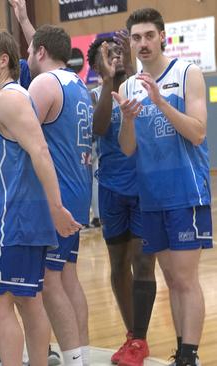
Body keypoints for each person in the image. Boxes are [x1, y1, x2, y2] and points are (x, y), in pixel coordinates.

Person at [0, 28, 81, 366]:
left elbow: (41, 152)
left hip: (12, 221)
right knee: (29, 303)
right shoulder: (7, 99)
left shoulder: (9, 99)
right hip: (18, 217)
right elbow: (17, 163)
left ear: (4, 60)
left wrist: (57, 207)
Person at [114, 8, 211, 366]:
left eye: (149, 36)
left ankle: (190, 355)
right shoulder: (127, 86)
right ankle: (182, 350)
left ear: (162, 37)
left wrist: (159, 103)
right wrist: (126, 120)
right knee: (171, 279)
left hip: (186, 192)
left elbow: (198, 132)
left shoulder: (188, 74)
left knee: (186, 279)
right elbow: (128, 147)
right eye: (136, 37)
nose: (142, 43)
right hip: (151, 197)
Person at [87, 33, 157, 366]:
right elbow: (100, 128)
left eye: (118, 50)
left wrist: (128, 66)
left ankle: (140, 338)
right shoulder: (93, 95)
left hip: (144, 187)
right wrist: (106, 81)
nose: (115, 56)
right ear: (96, 63)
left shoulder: (143, 85)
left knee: (143, 261)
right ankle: (133, 336)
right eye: (107, 54)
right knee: (118, 266)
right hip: (112, 191)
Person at [25, 23, 93, 366]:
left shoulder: (44, 83)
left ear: (40, 52)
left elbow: (21, 131)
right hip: (80, 189)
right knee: (68, 275)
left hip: (58, 194)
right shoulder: (77, 83)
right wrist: (25, 21)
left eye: (29, 50)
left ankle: (73, 358)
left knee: (50, 282)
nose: (26, 57)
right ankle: (82, 352)